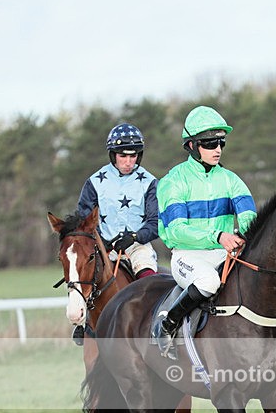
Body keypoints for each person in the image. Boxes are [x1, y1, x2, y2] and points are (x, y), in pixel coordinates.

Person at [155, 106, 256, 355]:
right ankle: (167, 324)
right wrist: (218, 236)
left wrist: (245, 236)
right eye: (210, 143)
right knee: (208, 282)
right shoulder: (173, 181)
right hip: (187, 256)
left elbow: (249, 219)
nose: (218, 149)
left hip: (224, 254)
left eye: (221, 142)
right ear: (192, 146)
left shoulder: (232, 180)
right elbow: (176, 230)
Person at [72, 123, 159, 344]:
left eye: (134, 156)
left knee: (149, 279)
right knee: (85, 276)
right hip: (103, 247)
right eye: (123, 156)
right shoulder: (94, 182)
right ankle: (83, 324)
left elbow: (156, 221)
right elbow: (84, 220)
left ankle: (152, 327)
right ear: (113, 155)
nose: (129, 162)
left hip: (137, 246)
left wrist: (136, 237)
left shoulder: (149, 183)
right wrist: (103, 241)